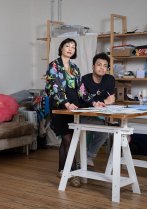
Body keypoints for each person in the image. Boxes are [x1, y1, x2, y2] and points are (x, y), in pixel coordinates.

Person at [45, 38, 104, 187]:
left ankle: (61, 169)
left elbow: (81, 90)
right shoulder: (54, 65)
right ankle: (72, 173)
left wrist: (93, 102)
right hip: (60, 106)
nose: (70, 49)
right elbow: (54, 87)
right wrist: (66, 103)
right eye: (67, 46)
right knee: (67, 140)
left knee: (68, 140)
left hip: (74, 107)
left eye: (73, 47)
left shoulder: (75, 68)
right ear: (61, 48)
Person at [81, 52, 115, 167]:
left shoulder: (110, 79)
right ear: (93, 67)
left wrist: (103, 102)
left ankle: (88, 155)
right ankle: (87, 156)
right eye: (99, 64)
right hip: (84, 115)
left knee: (109, 130)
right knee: (104, 130)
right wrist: (96, 103)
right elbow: (83, 96)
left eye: (105, 65)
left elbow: (112, 98)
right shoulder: (85, 79)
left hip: (100, 114)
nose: (102, 68)